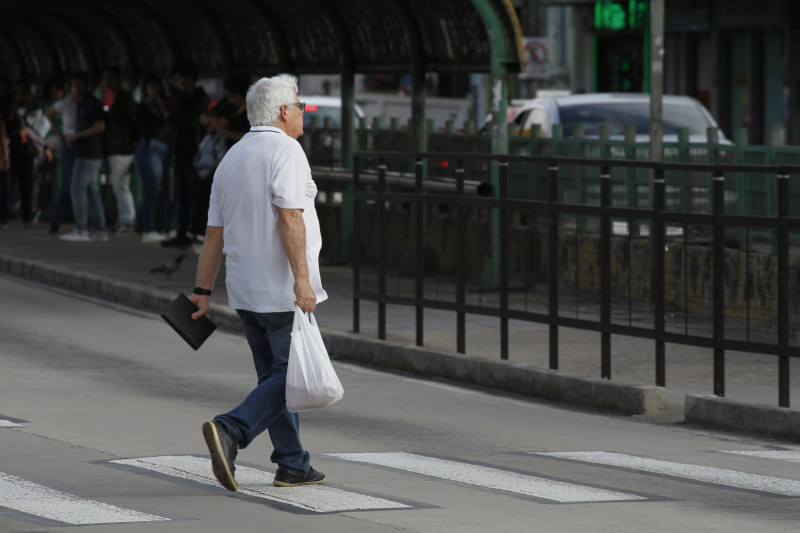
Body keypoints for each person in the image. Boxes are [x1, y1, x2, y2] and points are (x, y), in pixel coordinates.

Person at [191, 74, 327, 491]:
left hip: (246, 293)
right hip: (281, 291)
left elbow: (214, 233)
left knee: (274, 376)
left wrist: (203, 290)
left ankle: (292, 463)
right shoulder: (287, 150)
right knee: (291, 378)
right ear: (284, 112)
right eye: (300, 105)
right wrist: (302, 283)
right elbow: (290, 216)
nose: (303, 111)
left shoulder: (231, 157)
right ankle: (232, 429)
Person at [161, 61, 208, 249]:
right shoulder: (177, 96)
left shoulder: (200, 97)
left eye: (179, 77)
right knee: (181, 193)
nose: (177, 81)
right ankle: (182, 232)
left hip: (194, 152)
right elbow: (170, 111)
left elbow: (188, 119)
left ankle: (194, 231)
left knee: (194, 193)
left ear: (189, 77)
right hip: (179, 150)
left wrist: (173, 116)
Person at [134, 74, 171, 243]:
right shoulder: (142, 108)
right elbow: (147, 130)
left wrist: (162, 108)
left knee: (168, 190)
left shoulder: (165, 106)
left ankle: (165, 227)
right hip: (150, 148)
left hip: (165, 148)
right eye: (151, 87)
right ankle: (147, 229)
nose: (155, 91)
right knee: (151, 189)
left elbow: (169, 122)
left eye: (157, 87)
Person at [102, 66, 138, 234]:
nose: (108, 82)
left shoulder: (123, 99)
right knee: (119, 186)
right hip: (120, 148)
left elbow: (126, 124)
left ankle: (127, 219)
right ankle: (124, 219)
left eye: (110, 78)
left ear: (118, 79)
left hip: (122, 149)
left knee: (120, 186)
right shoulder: (120, 99)